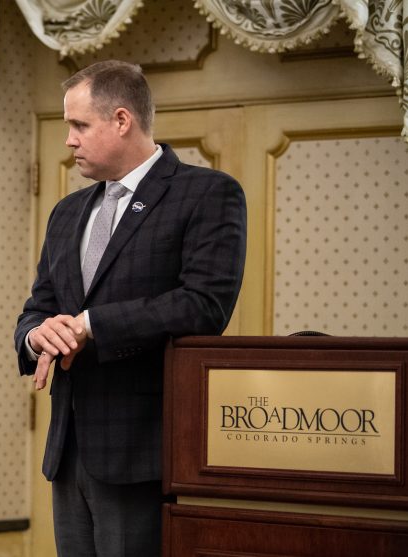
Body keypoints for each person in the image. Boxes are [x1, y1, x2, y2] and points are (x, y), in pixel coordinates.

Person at [14, 60, 247, 556]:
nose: (69, 140)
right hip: (68, 450)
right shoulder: (66, 213)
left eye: (79, 125)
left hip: (144, 450)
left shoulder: (206, 193)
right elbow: (38, 308)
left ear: (122, 120)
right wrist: (38, 336)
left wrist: (92, 325)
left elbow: (205, 304)